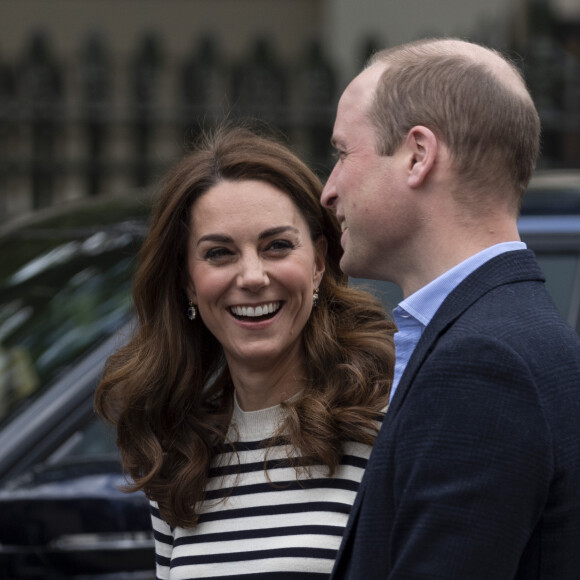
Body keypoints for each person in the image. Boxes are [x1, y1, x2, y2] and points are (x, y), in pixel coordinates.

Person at [320, 37, 580, 579]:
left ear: (418, 155)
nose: (328, 189)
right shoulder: (513, 330)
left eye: (343, 153)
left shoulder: (483, 364)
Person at [95, 126, 396, 579]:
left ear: (317, 263)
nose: (253, 276)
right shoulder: (177, 455)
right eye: (219, 253)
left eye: (277, 246)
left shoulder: (386, 423)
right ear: (187, 283)